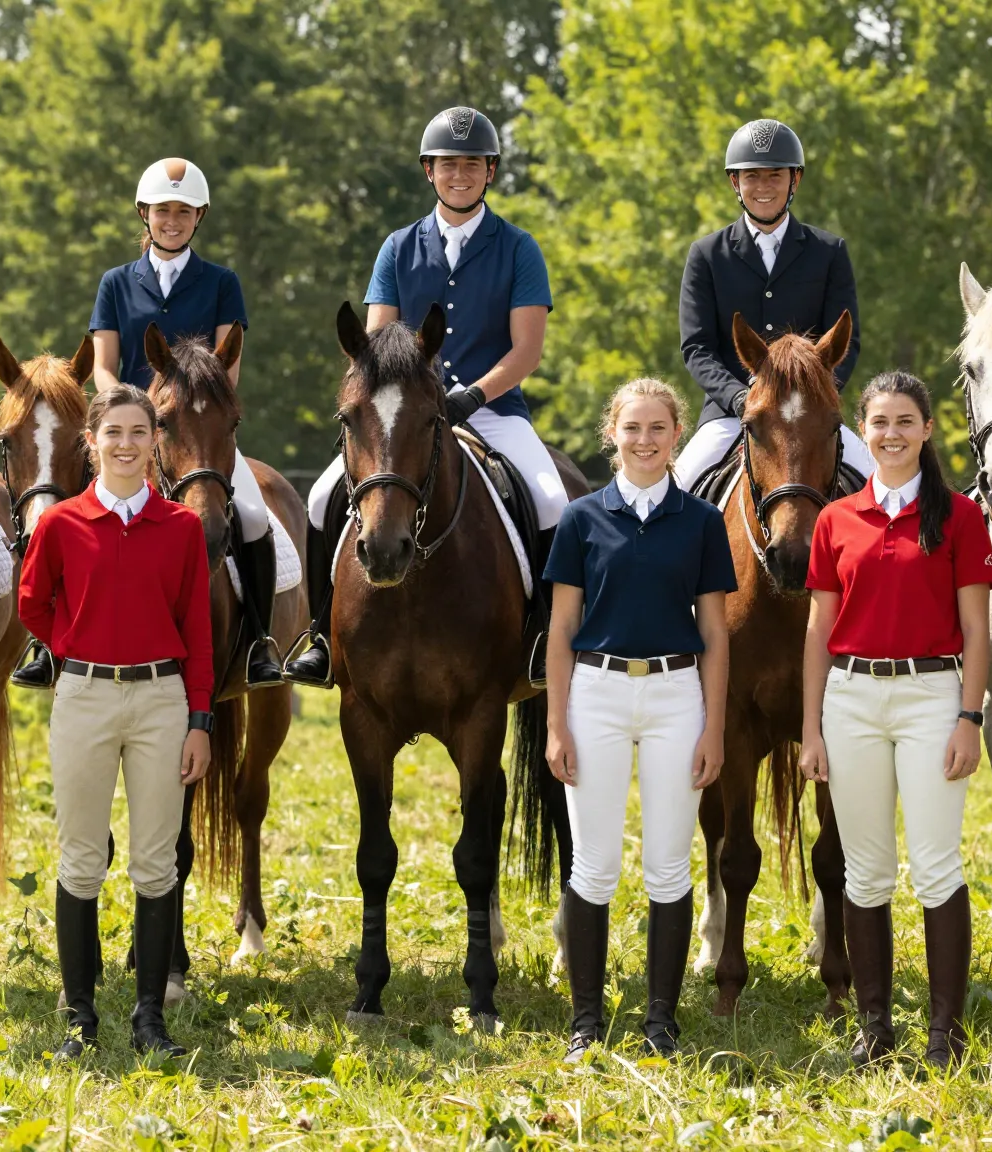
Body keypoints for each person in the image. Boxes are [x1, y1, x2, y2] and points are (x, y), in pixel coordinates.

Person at [284, 106, 565, 688]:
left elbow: (526, 351)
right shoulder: (397, 247)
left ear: (489, 171)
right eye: (446, 165)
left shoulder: (519, 248)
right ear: (428, 172)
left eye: (470, 164)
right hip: (403, 415)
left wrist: (470, 399)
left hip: (495, 413)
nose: (458, 174)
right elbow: (377, 340)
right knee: (317, 499)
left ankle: (541, 638)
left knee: (552, 501)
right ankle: (317, 638)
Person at [799, 371, 992, 1069]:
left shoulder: (962, 518)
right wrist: (812, 728)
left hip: (931, 697)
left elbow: (978, 630)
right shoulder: (834, 520)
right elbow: (819, 631)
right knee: (867, 871)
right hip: (851, 701)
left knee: (938, 866)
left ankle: (945, 1031)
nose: (891, 434)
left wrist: (969, 717)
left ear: (928, 430)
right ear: (863, 430)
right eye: (880, 422)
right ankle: (875, 1026)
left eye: (905, 421)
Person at [17, 385, 215, 1060]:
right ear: (91, 442)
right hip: (85, 699)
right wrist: (75, 646)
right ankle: (79, 1019)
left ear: (155, 441)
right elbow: (31, 605)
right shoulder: (60, 523)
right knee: (80, 861)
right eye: (114, 433)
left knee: (156, 864)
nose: (126, 444)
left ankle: (149, 1017)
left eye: (139, 432)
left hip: (162, 701)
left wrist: (198, 721)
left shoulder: (182, 527)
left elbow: (199, 631)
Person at [31, 156, 281, 691]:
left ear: (199, 218)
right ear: (144, 214)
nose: (173, 220)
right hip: (124, 430)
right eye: (163, 210)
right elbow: (102, 365)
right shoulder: (116, 282)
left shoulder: (221, 282)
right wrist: (130, 414)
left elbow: (226, 366)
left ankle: (260, 641)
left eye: (185, 212)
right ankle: (43, 644)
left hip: (198, 431)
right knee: (57, 509)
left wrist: (181, 412)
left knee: (255, 516)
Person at [542, 378, 735, 1061]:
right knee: (592, 869)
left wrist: (713, 727)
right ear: (611, 436)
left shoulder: (703, 523)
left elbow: (715, 634)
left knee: (666, 869)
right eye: (632, 429)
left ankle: (660, 1023)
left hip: (675, 695)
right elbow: (561, 629)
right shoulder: (580, 519)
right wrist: (556, 724)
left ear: (675, 435)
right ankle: (586, 1025)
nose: (645, 440)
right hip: (593, 694)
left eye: (657, 428)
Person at [674, 118, 869, 489]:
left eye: (774, 176)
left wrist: (814, 399)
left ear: (794, 180)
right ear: (736, 182)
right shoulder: (705, 255)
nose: (763, 187)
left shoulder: (829, 252)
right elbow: (697, 347)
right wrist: (739, 398)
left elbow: (848, 340)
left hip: (811, 412)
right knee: (678, 493)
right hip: (730, 413)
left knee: (877, 481)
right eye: (752, 177)